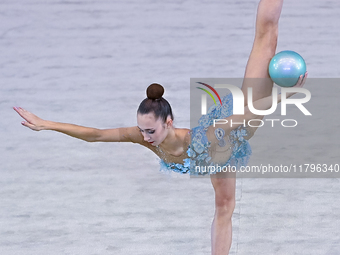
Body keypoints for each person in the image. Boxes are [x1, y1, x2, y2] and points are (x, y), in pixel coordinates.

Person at [13, 0, 307, 254]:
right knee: (224, 207)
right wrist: (46, 124)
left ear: (169, 122)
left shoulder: (204, 137)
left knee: (266, 36)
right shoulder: (145, 137)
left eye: (150, 131)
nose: (144, 137)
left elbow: (249, 116)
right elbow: (97, 135)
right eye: (142, 130)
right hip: (218, 156)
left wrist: (286, 95)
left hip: (241, 117)